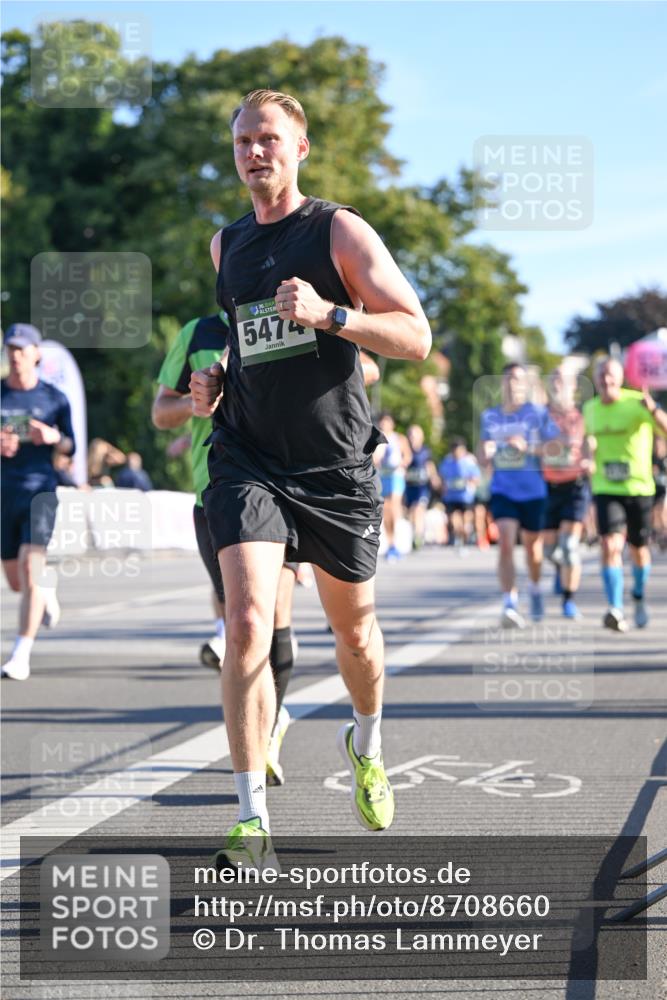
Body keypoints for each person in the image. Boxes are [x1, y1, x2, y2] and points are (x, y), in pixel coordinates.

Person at [189, 88, 431, 868]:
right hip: (248, 457)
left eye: (267, 139)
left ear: (298, 149)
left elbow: (415, 335)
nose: (253, 153)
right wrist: (215, 381)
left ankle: (366, 743)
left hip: (334, 467)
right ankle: (250, 816)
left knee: (352, 634)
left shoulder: (337, 229)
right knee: (247, 621)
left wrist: (332, 316)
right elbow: (244, 345)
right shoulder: (226, 246)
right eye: (241, 143)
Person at [152, 311, 298, 786]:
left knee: (272, 611)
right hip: (214, 490)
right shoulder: (198, 334)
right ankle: (267, 720)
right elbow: (160, 411)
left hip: (288, 485)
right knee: (243, 619)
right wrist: (195, 403)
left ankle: (268, 732)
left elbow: (363, 361)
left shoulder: (289, 312)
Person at [1, 324, 75, 680]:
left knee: (30, 572)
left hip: (40, 491)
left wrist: (52, 436)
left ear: (36, 354)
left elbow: (71, 447)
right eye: (10, 348)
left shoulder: (54, 398)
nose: (15, 355)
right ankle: (47, 585)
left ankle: (21, 654)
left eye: (21, 349)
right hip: (4, 493)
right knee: (17, 582)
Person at [583, 357, 667, 631]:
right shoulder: (589, 409)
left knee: (639, 550)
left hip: (639, 487)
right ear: (596, 381)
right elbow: (585, 442)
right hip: (606, 487)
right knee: (610, 545)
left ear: (620, 379)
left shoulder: (637, 403)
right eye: (602, 377)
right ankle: (615, 607)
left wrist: (654, 410)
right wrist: (586, 457)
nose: (606, 381)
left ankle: (639, 596)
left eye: (611, 376)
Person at [479, 363, 559, 628]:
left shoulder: (537, 413)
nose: (514, 384)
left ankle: (535, 587)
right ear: (502, 383)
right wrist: (487, 452)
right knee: (504, 543)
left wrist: (527, 446)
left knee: (533, 550)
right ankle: (509, 602)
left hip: (533, 491)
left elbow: (554, 449)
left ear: (525, 385)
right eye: (509, 379)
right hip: (503, 489)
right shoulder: (490, 416)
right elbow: (481, 456)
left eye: (518, 379)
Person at [542, 365, 592, 619]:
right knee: (550, 552)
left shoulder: (583, 416)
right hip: (549, 487)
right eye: (554, 380)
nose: (557, 385)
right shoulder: (541, 416)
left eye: (562, 381)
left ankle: (569, 601)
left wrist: (589, 461)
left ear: (573, 387)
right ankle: (562, 571)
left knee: (569, 546)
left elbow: (591, 447)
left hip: (575, 486)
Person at [374, 412, 412, 561]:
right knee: (386, 509)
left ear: (392, 423)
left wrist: (401, 464)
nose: (385, 424)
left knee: (394, 505)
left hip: (396, 476)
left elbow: (408, 456)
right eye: (382, 422)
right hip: (383, 476)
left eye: (387, 422)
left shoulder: (399, 438)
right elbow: (373, 459)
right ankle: (391, 543)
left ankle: (395, 540)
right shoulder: (377, 439)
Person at [439, 437, 480, 551]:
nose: (457, 453)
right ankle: (459, 537)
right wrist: (443, 487)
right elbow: (442, 478)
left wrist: (470, 483)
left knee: (466, 521)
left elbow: (476, 478)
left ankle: (466, 535)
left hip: (465, 497)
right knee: (454, 520)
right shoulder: (447, 462)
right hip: (451, 496)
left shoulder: (469, 462)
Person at [404, 424, 437, 549]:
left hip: (422, 487)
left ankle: (418, 536)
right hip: (409, 486)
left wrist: (434, 477)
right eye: (411, 435)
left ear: (421, 437)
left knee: (418, 509)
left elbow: (430, 465)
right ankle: (414, 533)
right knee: (411, 512)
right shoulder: (406, 451)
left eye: (415, 435)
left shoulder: (425, 451)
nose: (413, 438)